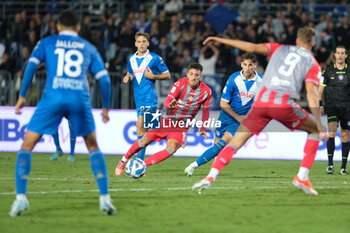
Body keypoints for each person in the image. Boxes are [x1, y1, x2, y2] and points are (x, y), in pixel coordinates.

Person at [192, 26, 329, 196]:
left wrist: (220, 40)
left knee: (235, 142)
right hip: (282, 105)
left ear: (296, 40)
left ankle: (211, 176)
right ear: (313, 43)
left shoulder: (280, 48)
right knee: (315, 129)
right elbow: (310, 92)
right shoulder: (312, 63)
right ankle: (302, 177)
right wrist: (320, 123)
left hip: (260, 105)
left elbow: (251, 47)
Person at [9, 10, 116, 217]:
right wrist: (105, 108)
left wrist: (22, 96)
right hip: (79, 99)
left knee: (27, 146)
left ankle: (21, 198)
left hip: (52, 98)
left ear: (58, 27)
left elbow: (30, 67)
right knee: (93, 147)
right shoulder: (89, 47)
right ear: (78, 28)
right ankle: (105, 199)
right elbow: (105, 80)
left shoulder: (47, 42)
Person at [115, 63, 211, 175]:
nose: (194, 77)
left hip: (181, 125)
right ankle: (123, 161)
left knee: (171, 149)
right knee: (144, 141)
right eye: (191, 74)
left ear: (201, 77)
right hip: (165, 118)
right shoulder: (180, 84)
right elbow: (167, 101)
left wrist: (203, 128)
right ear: (187, 74)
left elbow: (206, 111)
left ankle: (141, 165)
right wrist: (170, 105)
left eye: (197, 75)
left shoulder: (206, 91)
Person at [184, 53, 263, 176]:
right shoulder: (234, 79)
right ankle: (212, 173)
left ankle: (193, 165)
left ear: (255, 65)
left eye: (250, 65)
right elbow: (223, 103)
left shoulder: (262, 81)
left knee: (223, 143)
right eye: (245, 64)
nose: (247, 68)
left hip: (238, 121)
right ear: (241, 64)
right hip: (225, 116)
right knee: (216, 147)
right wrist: (238, 117)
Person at [123, 32, 170, 161]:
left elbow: (167, 75)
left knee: (140, 126)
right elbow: (130, 73)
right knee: (147, 132)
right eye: (139, 41)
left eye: (144, 41)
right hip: (138, 99)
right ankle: (173, 133)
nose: (141, 44)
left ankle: (139, 162)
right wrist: (128, 77)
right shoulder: (131, 59)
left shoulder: (154, 58)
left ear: (148, 43)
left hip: (149, 98)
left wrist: (154, 76)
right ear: (135, 44)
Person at [318, 45, 350, 175]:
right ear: (335, 55)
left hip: (346, 107)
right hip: (331, 106)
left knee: (344, 136)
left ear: (346, 56)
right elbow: (320, 90)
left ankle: (343, 166)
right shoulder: (328, 71)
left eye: (343, 53)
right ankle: (330, 165)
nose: (340, 55)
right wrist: (320, 104)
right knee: (331, 133)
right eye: (338, 53)